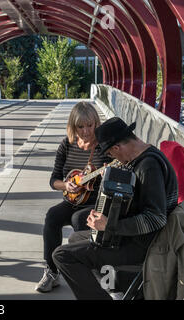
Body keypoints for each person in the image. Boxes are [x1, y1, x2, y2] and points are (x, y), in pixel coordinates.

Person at [52, 117, 178, 299]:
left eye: (111, 154)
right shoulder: (142, 157)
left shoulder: (149, 166)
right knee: (74, 237)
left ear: (117, 148)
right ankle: (112, 287)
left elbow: (155, 218)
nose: (113, 159)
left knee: (62, 255)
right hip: (134, 236)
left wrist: (109, 225)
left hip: (144, 243)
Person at [36, 101, 112, 293]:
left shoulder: (105, 147)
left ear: (96, 124)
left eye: (90, 125)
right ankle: (51, 272)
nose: (86, 131)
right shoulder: (67, 145)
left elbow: (118, 176)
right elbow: (54, 179)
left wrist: (107, 175)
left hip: (95, 202)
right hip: (72, 199)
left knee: (79, 219)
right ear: (73, 126)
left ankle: (89, 272)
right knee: (52, 216)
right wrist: (65, 185)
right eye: (80, 126)